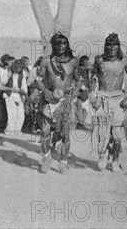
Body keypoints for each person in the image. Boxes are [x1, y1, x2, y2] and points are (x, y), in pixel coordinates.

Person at [34, 34, 80, 175]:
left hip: (65, 102)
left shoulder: (74, 62)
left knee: (65, 135)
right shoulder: (46, 61)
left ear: (67, 45)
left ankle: (63, 163)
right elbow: (38, 80)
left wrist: (75, 92)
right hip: (48, 100)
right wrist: (45, 91)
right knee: (45, 131)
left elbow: (78, 80)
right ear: (53, 45)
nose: (60, 47)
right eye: (57, 44)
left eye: (63, 44)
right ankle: (46, 157)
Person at [91, 33, 127, 173]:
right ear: (106, 47)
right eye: (109, 46)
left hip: (118, 100)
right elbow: (93, 79)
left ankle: (116, 161)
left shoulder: (124, 61)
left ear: (118, 47)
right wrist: (94, 96)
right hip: (102, 98)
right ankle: (103, 155)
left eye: (114, 46)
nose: (111, 48)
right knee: (102, 131)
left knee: (116, 135)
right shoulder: (99, 60)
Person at [4, 60, 28, 134]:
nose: (19, 68)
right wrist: (8, 75)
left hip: (19, 94)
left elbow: (24, 83)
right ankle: (10, 129)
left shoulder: (22, 73)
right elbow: (3, 82)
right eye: (17, 67)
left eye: (20, 67)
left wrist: (24, 92)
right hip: (10, 94)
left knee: (20, 113)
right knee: (12, 112)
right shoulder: (8, 72)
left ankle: (17, 129)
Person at [22, 57, 43, 135]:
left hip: (43, 91)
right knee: (34, 110)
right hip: (34, 91)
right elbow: (28, 83)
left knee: (42, 109)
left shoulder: (47, 70)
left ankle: (40, 126)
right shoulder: (33, 71)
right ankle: (33, 126)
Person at [0, 54, 15, 133]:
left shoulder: (8, 70)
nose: (12, 64)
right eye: (11, 62)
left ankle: (1, 127)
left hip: (2, 90)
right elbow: (2, 81)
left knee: (3, 110)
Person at [75, 56, 94, 129]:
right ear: (83, 62)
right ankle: (80, 122)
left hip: (85, 89)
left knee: (85, 107)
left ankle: (81, 122)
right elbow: (78, 75)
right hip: (81, 88)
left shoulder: (84, 69)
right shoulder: (80, 68)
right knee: (81, 107)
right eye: (87, 61)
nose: (88, 62)